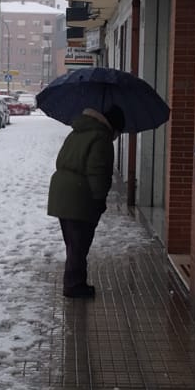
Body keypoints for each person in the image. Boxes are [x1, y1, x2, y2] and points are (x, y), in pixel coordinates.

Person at [47, 105, 125, 298]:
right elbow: (98, 171)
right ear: (113, 127)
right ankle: (74, 286)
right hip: (79, 196)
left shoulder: (77, 132)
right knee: (79, 244)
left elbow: (62, 160)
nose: (116, 136)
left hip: (62, 193)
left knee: (73, 243)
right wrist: (99, 199)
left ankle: (75, 282)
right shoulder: (101, 138)